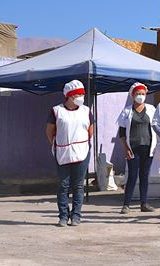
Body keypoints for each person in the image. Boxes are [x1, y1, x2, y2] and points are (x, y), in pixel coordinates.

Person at [45, 80, 93, 227]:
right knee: (63, 185)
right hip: (63, 151)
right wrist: (57, 144)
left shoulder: (86, 110)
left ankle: (76, 215)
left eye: (83, 94)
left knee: (78, 185)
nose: (82, 97)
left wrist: (82, 142)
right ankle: (63, 216)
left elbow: (90, 130)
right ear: (70, 96)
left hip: (82, 150)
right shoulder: (57, 110)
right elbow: (49, 131)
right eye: (79, 94)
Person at [117, 82, 157, 214]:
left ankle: (144, 203)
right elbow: (122, 132)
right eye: (138, 94)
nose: (140, 96)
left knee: (144, 176)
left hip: (148, 147)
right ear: (132, 95)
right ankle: (126, 204)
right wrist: (125, 148)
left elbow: (156, 127)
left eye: (143, 94)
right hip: (133, 148)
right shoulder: (127, 111)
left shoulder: (151, 109)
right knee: (132, 176)